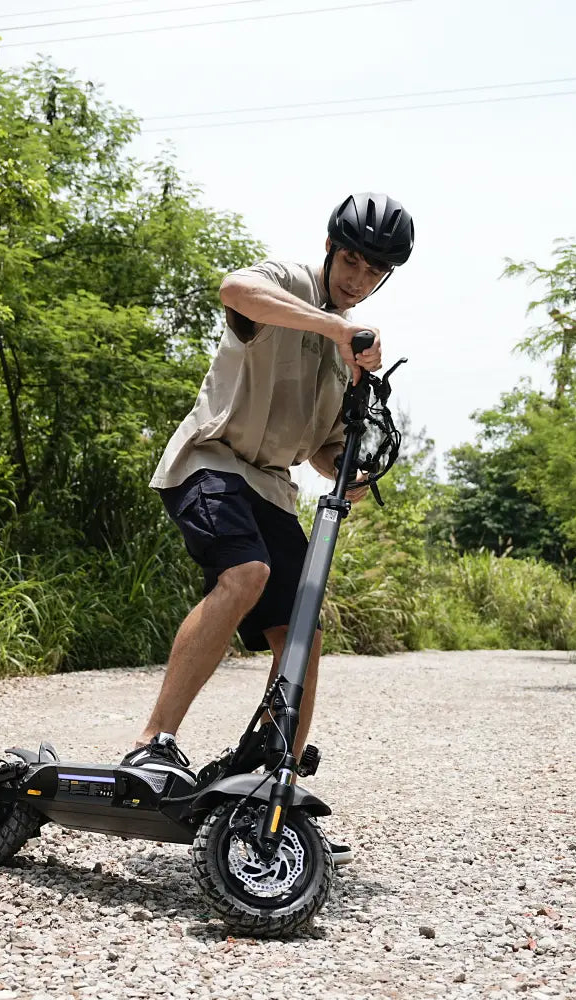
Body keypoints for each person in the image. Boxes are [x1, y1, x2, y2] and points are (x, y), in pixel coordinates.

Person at [121, 193, 414, 862]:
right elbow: (235, 290)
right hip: (210, 460)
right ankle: (154, 742)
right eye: (351, 260)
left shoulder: (351, 355)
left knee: (301, 629)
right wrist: (333, 328)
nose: (358, 278)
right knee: (245, 572)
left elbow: (323, 451)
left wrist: (352, 471)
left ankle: (273, 776)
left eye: (375, 271)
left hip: (272, 484)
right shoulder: (289, 284)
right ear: (331, 248)